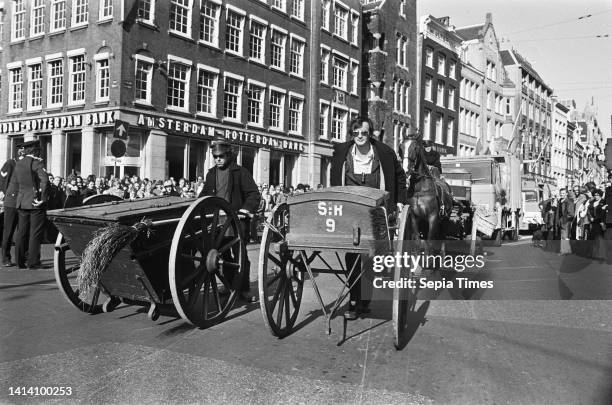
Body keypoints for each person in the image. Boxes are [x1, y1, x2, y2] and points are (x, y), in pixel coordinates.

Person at [330, 116, 406, 320]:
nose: (359, 137)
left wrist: (398, 202)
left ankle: (364, 298)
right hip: (349, 210)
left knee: (371, 256)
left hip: (376, 210)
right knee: (352, 254)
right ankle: (354, 300)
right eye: (355, 133)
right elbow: (334, 178)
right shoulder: (341, 152)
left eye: (364, 133)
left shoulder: (384, 152)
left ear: (370, 133)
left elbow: (399, 177)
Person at [200, 140, 261, 302]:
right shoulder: (211, 173)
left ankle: (244, 288)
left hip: (236, 221)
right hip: (217, 222)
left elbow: (253, 194)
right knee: (224, 256)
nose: (218, 159)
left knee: (241, 256)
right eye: (215, 157)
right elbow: (205, 195)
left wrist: (245, 209)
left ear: (228, 155)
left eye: (221, 156)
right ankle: (229, 286)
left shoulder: (240, 172)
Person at [14, 140, 49, 269]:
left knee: (21, 232)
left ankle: (19, 261)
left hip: (22, 201)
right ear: (34, 150)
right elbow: (45, 181)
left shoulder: (18, 163)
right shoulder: (37, 162)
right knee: (35, 233)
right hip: (35, 202)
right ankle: (33, 262)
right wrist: (43, 198)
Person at [0, 144, 26, 267]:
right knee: (8, 231)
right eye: (21, 149)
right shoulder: (11, 163)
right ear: (18, 151)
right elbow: (3, 180)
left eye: (25, 149)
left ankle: (21, 257)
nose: (23, 151)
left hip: (23, 202)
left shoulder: (28, 164)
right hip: (11, 202)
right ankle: (5, 257)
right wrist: (7, 195)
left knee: (22, 231)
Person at [555, 188, 574, 255]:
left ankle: (565, 251)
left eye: (563, 193)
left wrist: (564, 220)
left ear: (566, 193)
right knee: (563, 236)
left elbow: (571, 214)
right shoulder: (560, 201)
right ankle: (567, 250)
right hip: (560, 221)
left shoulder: (569, 201)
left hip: (565, 221)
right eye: (561, 193)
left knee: (565, 236)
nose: (562, 194)